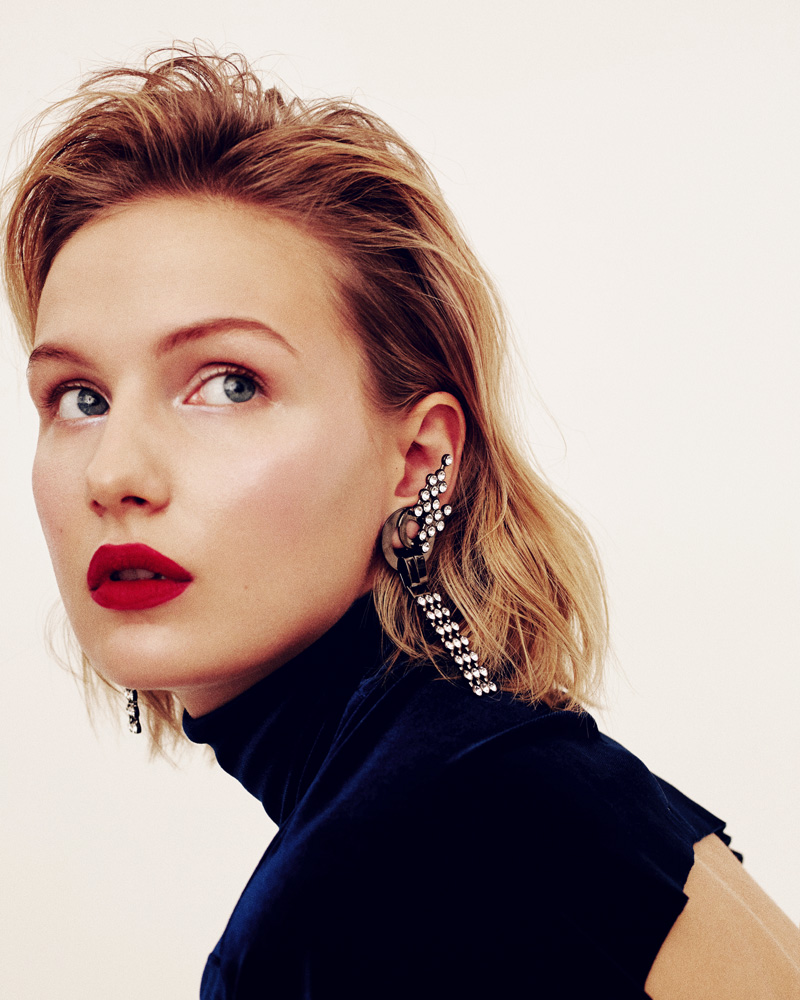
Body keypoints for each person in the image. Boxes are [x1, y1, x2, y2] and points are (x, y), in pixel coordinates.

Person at [4, 44, 799, 999]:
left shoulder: (397, 868)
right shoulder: (506, 780)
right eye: (79, 398)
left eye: (230, 384)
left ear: (417, 459)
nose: (114, 473)